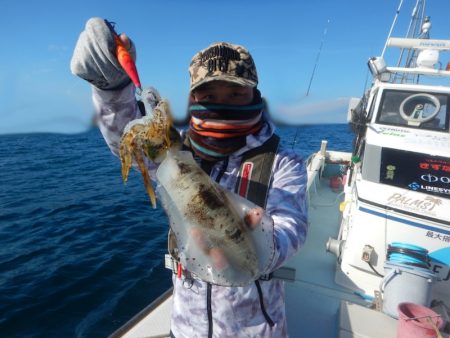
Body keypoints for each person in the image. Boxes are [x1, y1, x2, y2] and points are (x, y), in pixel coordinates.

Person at [71, 17, 308, 338]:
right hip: (187, 329)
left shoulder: (283, 162)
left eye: (235, 94)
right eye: (209, 95)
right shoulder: (179, 152)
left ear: (254, 95)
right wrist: (112, 89)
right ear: (195, 99)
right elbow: (131, 141)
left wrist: (258, 243)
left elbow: (290, 227)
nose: (222, 105)